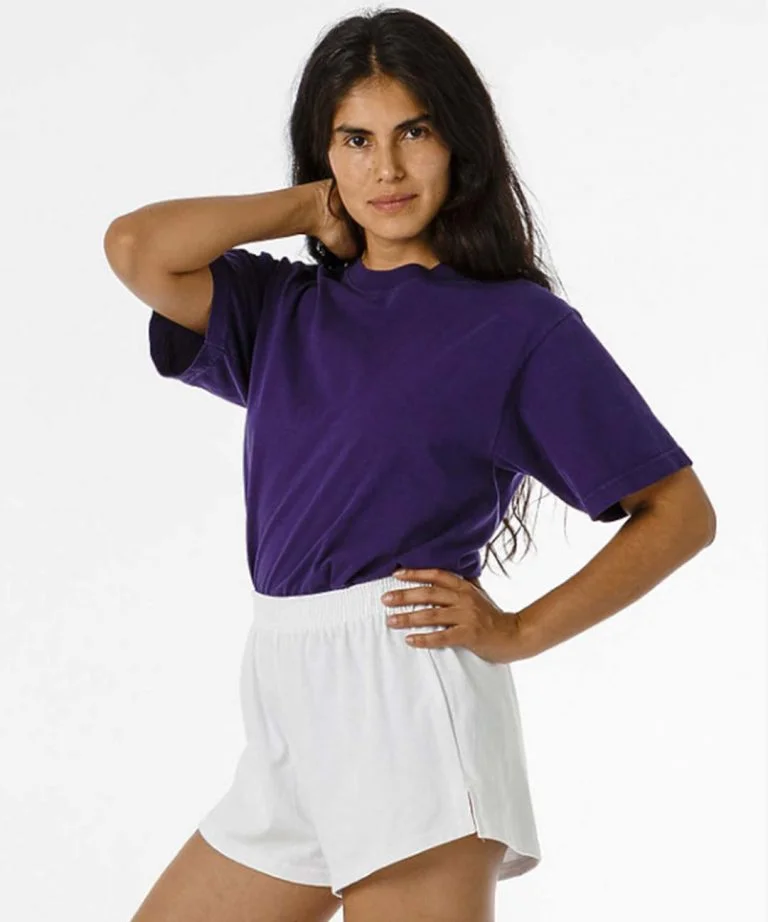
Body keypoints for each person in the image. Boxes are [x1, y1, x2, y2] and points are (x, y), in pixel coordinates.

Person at [103, 9, 716, 922]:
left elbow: (681, 512)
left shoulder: (515, 327)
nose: (386, 169)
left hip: (405, 698)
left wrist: (520, 632)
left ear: (458, 143)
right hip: (286, 703)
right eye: (356, 139)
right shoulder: (282, 309)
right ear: (323, 154)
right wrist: (307, 208)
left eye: (414, 133)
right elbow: (135, 248)